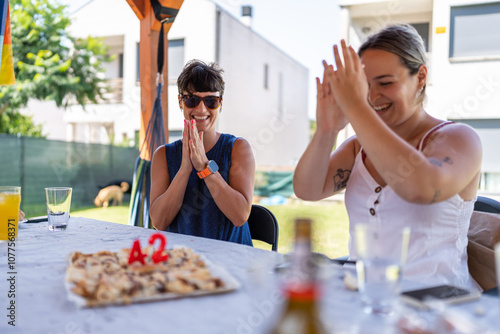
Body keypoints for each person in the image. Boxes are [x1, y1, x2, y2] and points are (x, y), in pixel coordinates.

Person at [293, 24, 482, 290]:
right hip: (361, 297)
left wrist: (356, 106)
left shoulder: (459, 138)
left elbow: (421, 188)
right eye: (363, 87)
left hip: (436, 307)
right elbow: (306, 190)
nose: (371, 96)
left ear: (420, 77)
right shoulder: (358, 147)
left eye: (385, 83)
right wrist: (326, 129)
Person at [150, 60, 255, 245]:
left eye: (211, 101)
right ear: (180, 102)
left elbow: (240, 216)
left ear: (220, 104)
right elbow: (159, 222)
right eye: (192, 99)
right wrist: (184, 170)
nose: (201, 109)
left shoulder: (238, 148)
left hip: (232, 263)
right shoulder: (163, 156)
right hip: (183, 262)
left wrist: (204, 167)